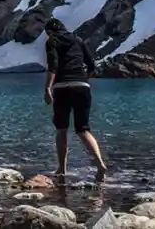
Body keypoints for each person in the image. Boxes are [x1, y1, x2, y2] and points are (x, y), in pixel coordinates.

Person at [43, 17, 107, 180]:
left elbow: (53, 65)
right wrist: (83, 79)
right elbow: (92, 65)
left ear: (49, 31)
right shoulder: (78, 40)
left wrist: (47, 88)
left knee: (61, 129)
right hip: (82, 86)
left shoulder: (52, 41)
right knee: (83, 129)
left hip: (62, 87)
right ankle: (100, 164)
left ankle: (62, 168)